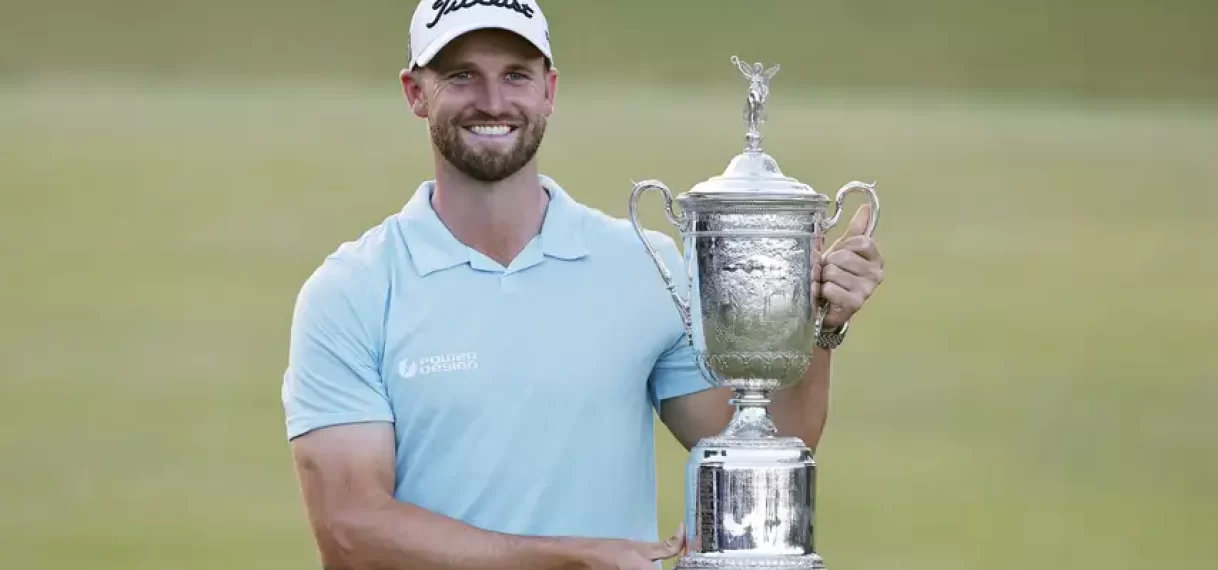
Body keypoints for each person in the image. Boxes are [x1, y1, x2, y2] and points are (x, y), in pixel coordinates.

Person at [279, 1, 886, 569]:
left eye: (517, 75)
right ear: (416, 93)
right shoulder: (351, 291)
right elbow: (350, 531)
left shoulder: (643, 262)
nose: (493, 100)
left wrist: (819, 329)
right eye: (461, 76)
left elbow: (769, 441)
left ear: (549, 91)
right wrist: (572, 557)